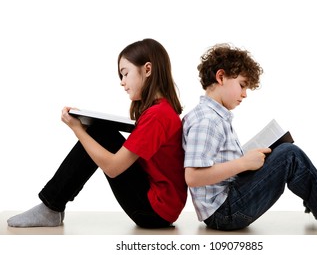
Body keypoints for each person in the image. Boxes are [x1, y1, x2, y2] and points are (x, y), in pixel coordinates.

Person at [182, 43, 317, 231]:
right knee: (289, 154)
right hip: (225, 213)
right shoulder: (207, 121)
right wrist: (244, 163)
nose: (245, 94)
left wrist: (248, 159)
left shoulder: (210, 115)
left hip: (226, 205)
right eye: (242, 85)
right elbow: (192, 176)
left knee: (281, 153)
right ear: (221, 76)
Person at [8, 38, 187, 229]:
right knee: (99, 131)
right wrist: (85, 130)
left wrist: (78, 130)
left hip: (154, 212)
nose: (122, 82)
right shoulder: (161, 111)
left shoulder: (157, 116)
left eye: (125, 74)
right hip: (159, 207)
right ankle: (53, 207)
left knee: (99, 133)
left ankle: (51, 207)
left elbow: (113, 168)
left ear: (148, 70)